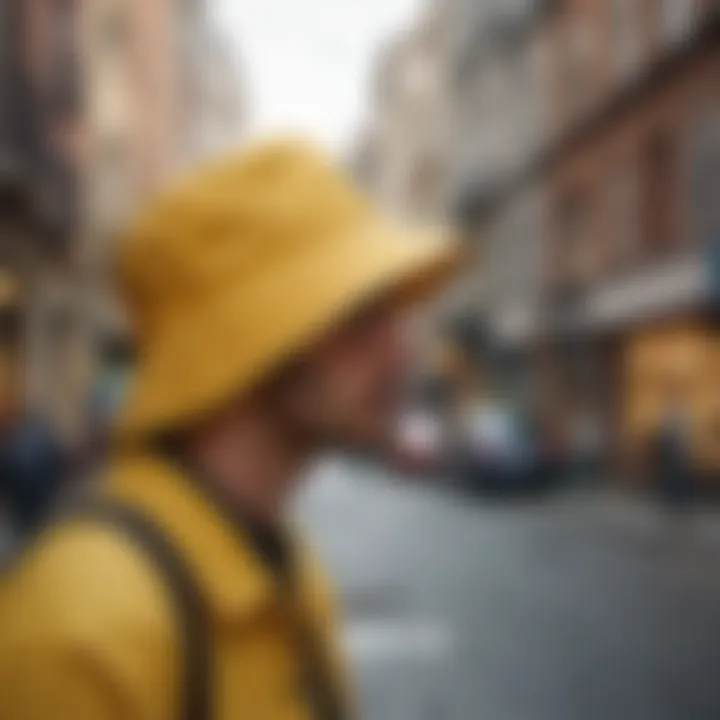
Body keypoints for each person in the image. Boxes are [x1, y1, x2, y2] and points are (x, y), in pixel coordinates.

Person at [0, 139, 457, 720]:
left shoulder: (287, 570)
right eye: (360, 312)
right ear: (250, 344)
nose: (400, 350)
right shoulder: (80, 630)